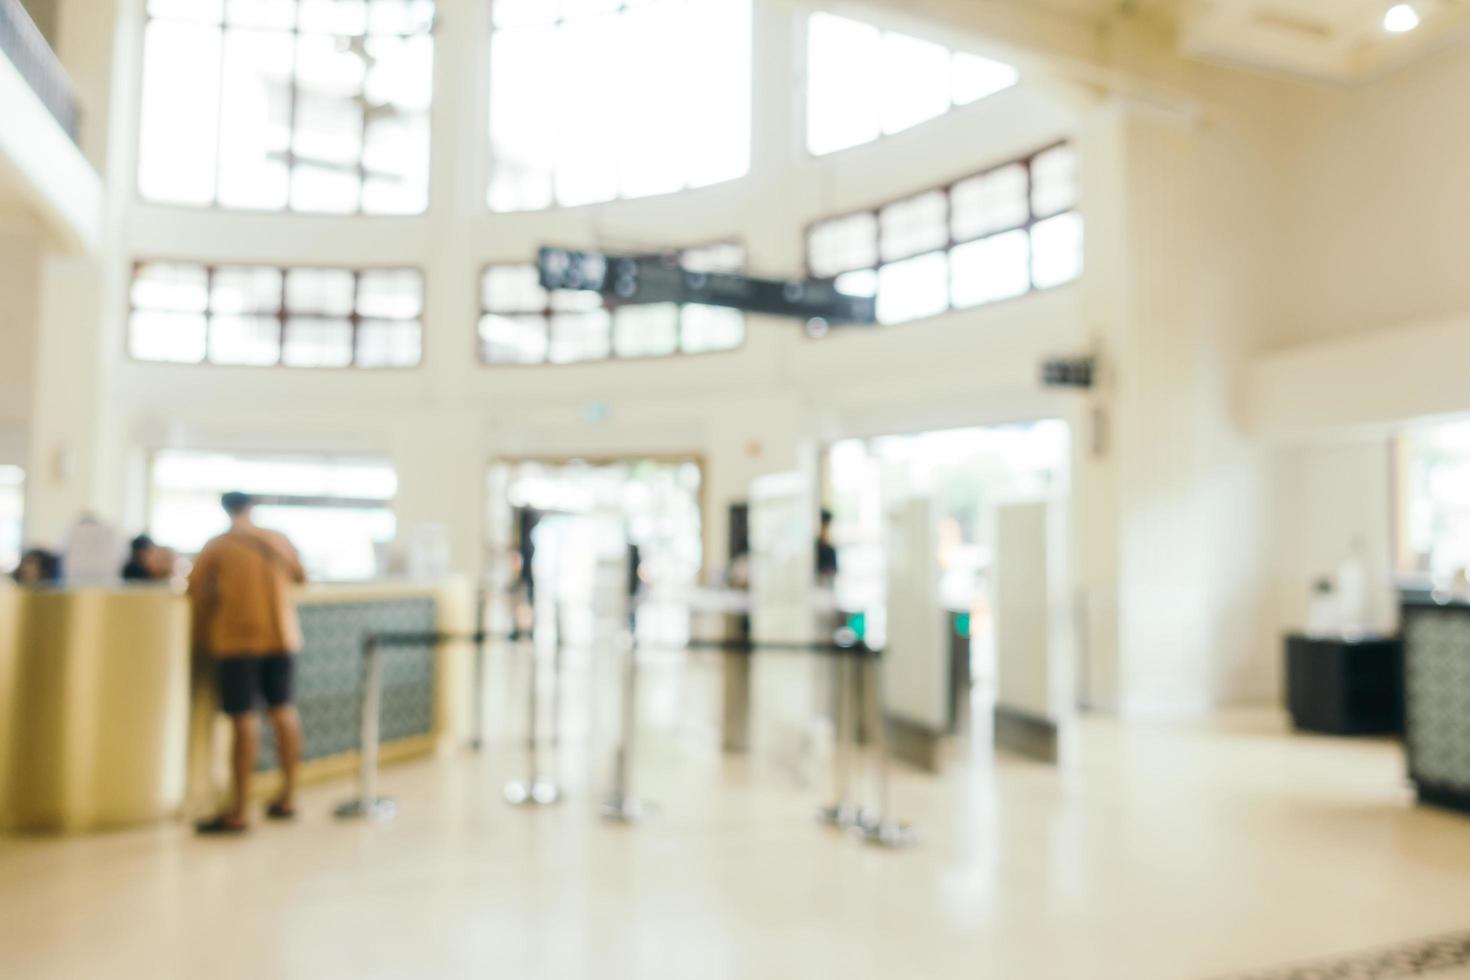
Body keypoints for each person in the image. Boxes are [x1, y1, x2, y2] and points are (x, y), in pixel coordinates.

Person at [188, 492, 308, 835]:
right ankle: (288, 795)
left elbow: (195, 590)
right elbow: (302, 577)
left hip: (237, 639)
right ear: (252, 509)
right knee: (283, 711)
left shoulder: (219, 545)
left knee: (244, 720)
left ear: (226, 510)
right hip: (282, 636)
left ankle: (239, 809)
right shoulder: (278, 540)